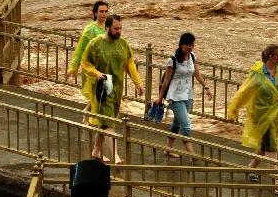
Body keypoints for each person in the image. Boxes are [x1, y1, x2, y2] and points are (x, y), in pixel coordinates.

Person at [80, 14, 144, 163]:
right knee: (108, 123)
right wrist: (96, 73)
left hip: (117, 86)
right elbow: (85, 63)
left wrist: (138, 83)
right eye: (116, 28)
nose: (119, 31)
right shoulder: (95, 44)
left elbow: (130, 64)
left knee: (107, 121)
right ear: (107, 27)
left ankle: (96, 150)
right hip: (103, 84)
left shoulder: (123, 44)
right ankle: (114, 154)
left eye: (121, 28)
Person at [226, 45, 278, 183]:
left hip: (276, 113)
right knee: (271, 146)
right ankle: (276, 181)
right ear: (271, 57)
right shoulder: (258, 73)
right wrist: (233, 111)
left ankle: (251, 168)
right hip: (260, 113)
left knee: (264, 145)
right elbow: (244, 92)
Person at [152, 33, 211, 157]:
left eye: (193, 45)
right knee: (186, 125)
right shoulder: (172, 60)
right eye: (188, 45)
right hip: (175, 95)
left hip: (188, 94)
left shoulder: (192, 57)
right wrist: (160, 97)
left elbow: (197, 74)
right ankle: (192, 154)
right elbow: (166, 80)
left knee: (177, 123)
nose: (191, 47)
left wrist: (206, 87)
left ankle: (167, 149)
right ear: (182, 45)